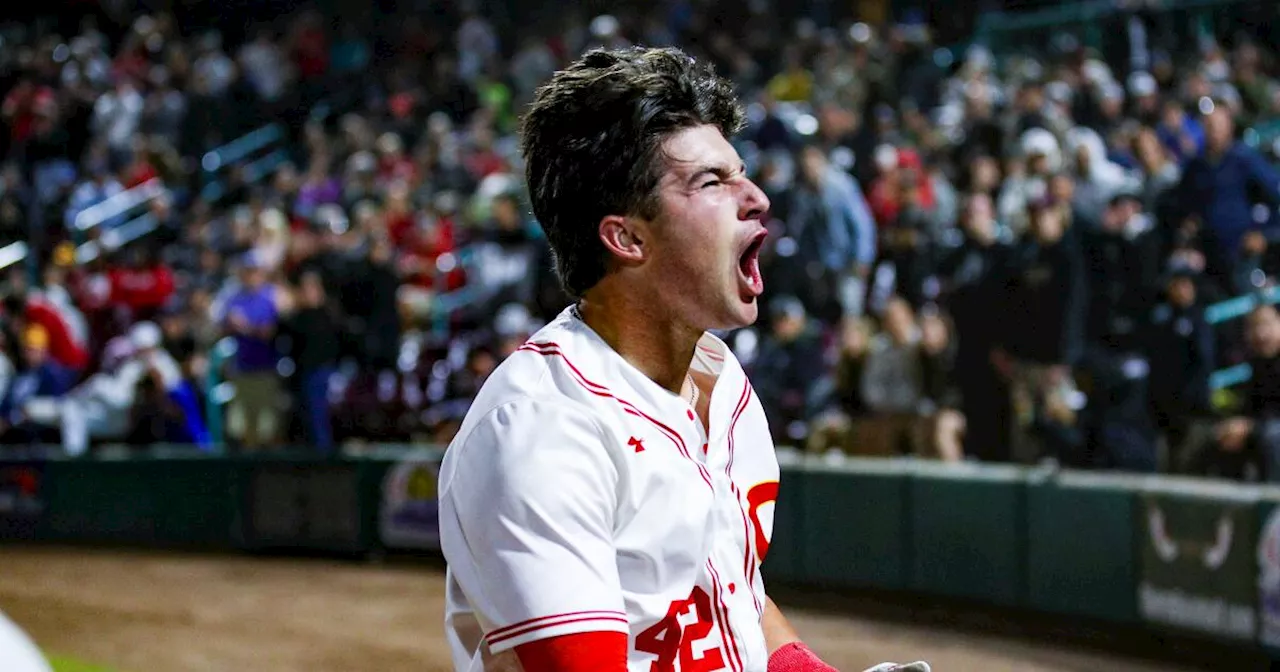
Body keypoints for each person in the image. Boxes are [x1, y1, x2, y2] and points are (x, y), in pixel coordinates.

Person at [437, 46, 928, 672]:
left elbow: (734, 601)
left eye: (740, 172)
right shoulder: (541, 427)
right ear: (626, 237)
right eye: (711, 182)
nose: (756, 198)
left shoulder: (720, 381)